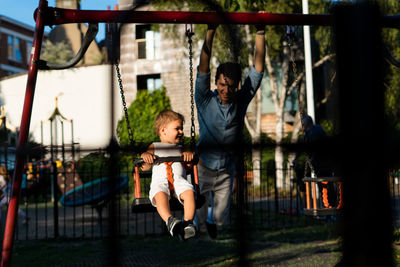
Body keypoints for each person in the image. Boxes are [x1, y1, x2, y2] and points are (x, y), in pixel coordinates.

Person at [195, 23, 265, 238]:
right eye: (222, 84)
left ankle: (211, 221)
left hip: (226, 170)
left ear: (236, 86)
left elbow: (257, 71)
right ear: (216, 82)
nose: (226, 90)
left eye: (231, 86)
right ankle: (194, 225)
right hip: (204, 165)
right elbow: (203, 67)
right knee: (197, 213)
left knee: (219, 217)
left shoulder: (240, 101)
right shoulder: (205, 99)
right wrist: (211, 30)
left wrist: (260, 33)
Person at [141, 109, 196, 240]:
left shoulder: (182, 148)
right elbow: (144, 167)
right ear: (163, 131)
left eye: (181, 128)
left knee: (189, 193)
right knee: (160, 196)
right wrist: (145, 156)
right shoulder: (154, 146)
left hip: (179, 181)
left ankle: (188, 223)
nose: (181, 132)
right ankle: (170, 221)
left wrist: (188, 157)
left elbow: (189, 166)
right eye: (177, 128)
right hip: (161, 183)